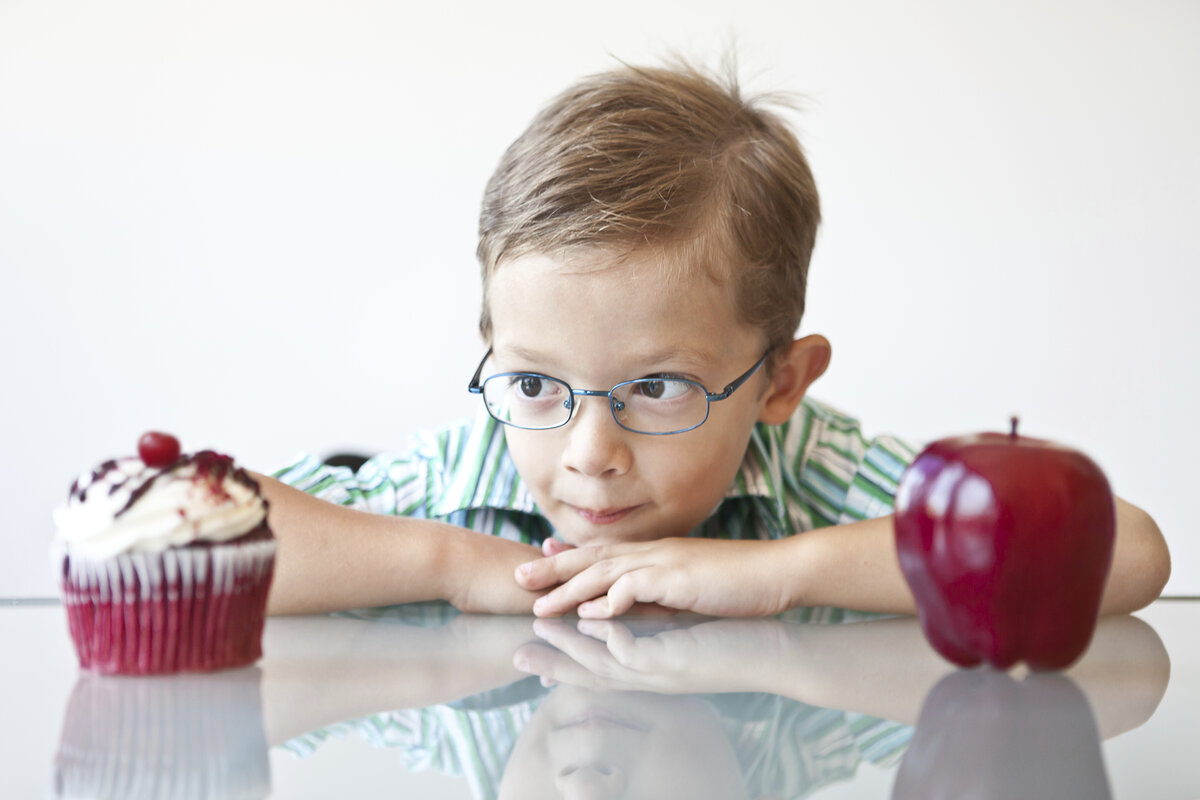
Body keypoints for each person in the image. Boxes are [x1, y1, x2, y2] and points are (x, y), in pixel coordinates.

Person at [261, 58, 1170, 618]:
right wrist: (457, 565)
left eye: (656, 387)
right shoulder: (459, 480)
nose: (588, 454)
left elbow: (1127, 555)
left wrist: (781, 573)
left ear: (780, 382)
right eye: (535, 383)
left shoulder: (814, 469)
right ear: (493, 352)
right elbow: (152, 533)